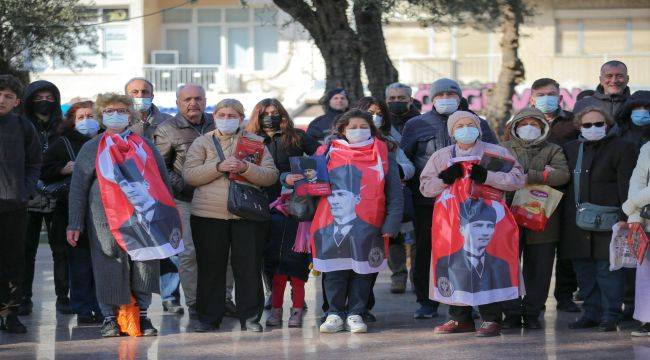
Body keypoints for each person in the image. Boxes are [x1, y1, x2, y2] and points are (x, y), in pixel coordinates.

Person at [67, 93, 171, 337]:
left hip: (143, 216)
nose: (116, 115)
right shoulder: (91, 147)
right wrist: (75, 222)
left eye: (122, 111)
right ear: (102, 115)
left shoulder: (145, 145)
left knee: (145, 263)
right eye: (110, 111)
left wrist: (166, 217)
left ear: (130, 115)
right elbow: (78, 187)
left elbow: (162, 182)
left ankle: (142, 316)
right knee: (107, 263)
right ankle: (109, 318)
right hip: (103, 218)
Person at [419, 110, 525, 337]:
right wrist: (445, 179)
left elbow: (517, 179)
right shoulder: (441, 156)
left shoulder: (495, 153)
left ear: (478, 128)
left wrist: (488, 176)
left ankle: (491, 318)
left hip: (490, 221)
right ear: (452, 131)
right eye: (459, 126)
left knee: (489, 263)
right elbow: (426, 187)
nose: (465, 129)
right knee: (454, 264)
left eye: (470, 124)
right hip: (451, 222)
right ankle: (460, 319)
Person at [401, 78, 498, 319]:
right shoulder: (416, 124)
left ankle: (469, 299)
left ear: (459, 96)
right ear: (432, 99)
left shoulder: (478, 123)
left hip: (471, 200)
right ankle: (427, 300)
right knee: (426, 249)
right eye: (440, 95)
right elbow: (406, 160)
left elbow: (494, 157)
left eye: (450, 94)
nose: (445, 99)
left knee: (468, 249)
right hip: (430, 201)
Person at [183, 99, 278, 332]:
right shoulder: (202, 142)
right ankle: (208, 317)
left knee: (248, 266)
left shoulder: (255, 143)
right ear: (214, 116)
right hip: (208, 215)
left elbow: (271, 176)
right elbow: (190, 175)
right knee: (210, 267)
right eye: (222, 114)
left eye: (232, 115)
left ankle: (251, 317)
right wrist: (218, 167)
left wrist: (246, 168)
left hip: (247, 215)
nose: (227, 119)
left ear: (241, 118)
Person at [315, 109, 403, 334]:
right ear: (342, 130)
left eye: (363, 126)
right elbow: (313, 185)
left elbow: (394, 192)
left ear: (372, 129)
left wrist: (392, 222)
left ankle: (356, 313)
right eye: (352, 127)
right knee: (334, 271)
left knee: (363, 272)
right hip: (330, 224)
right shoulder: (327, 153)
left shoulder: (383, 153)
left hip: (371, 225)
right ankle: (334, 313)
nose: (357, 131)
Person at [562, 106, 638, 332]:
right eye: (587, 125)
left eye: (598, 124)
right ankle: (591, 313)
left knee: (609, 270)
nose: (593, 128)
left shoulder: (623, 148)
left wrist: (626, 216)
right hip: (576, 222)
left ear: (608, 124)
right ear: (579, 126)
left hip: (611, 221)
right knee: (584, 270)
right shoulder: (571, 149)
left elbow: (626, 184)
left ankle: (610, 315)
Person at [245, 98, 319, 328]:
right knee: (270, 255)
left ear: (283, 114)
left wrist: (307, 177)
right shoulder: (249, 140)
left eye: (274, 112)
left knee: (295, 256)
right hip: (261, 203)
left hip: (296, 205)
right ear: (257, 115)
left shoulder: (297, 136)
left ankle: (297, 303)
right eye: (264, 112)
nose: (270, 116)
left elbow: (318, 157)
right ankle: (273, 297)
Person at [501, 107, 571, 329]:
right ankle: (511, 313)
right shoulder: (502, 149)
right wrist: (544, 175)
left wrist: (527, 175)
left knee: (540, 268)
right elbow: (496, 175)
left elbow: (562, 175)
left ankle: (532, 313)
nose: (528, 128)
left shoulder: (553, 149)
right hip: (507, 218)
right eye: (523, 124)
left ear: (543, 128)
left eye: (534, 124)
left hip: (543, 219)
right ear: (515, 126)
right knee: (508, 265)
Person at [153, 84, 215, 317]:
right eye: (187, 99)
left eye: (198, 98)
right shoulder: (167, 129)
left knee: (219, 252)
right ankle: (194, 302)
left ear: (205, 100)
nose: (193, 103)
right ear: (178, 103)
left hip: (217, 198)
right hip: (185, 199)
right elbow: (161, 167)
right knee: (188, 252)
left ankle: (222, 298)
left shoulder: (215, 122)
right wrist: (184, 185)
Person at [41, 101, 102, 325]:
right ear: (73, 121)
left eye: (91, 115)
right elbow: (43, 172)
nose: (87, 120)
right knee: (79, 261)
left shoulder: (107, 140)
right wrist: (61, 169)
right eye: (81, 117)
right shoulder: (61, 144)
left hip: (104, 210)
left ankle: (103, 306)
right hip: (71, 210)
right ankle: (83, 307)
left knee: (104, 260)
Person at [528, 78, 581, 313]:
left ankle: (565, 295)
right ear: (531, 98)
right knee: (539, 250)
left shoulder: (573, 123)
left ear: (560, 96)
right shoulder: (523, 121)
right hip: (534, 194)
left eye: (551, 94)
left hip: (567, 190)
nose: (546, 98)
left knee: (568, 247)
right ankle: (531, 299)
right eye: (541, 94)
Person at [354, 96, 415, 297]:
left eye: (379, 114)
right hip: (358, 208)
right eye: (370, 113)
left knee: (378, 251)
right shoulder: (343, 142)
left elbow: (409, 168)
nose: (375, 118)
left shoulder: (389, 142)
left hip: (385, 204)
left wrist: (395, 170)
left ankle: (365, 303)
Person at [20, 80, 70, 315]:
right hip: (27, 198)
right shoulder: (20, 125)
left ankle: (63, 298)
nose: (45, 102)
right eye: (39, 97)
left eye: (50, 98)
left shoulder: (63, 127)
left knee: (61, 251)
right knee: (25, 251)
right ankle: (23, 298)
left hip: (58, 196)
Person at [0, 75, 41, 334]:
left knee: (12, 261)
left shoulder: (24, 127)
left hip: (13, 207)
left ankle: (9, 312)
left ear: (16, 102)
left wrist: (24, 190)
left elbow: (35, 162)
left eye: (8, 96)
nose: (1, 99)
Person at [435, 199, 512, 293]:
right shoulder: (446, 263)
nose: (485, 233)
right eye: (478, 225)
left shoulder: (501, 265)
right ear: (462, 229)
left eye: (490, 226)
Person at [622, 141, 650, 336]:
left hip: (639, 203)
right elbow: (637, 181)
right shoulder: (648, 147)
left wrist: (630, 205)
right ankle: (648, 319)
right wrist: (634, 217)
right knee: (646, 271)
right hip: (646, 217)